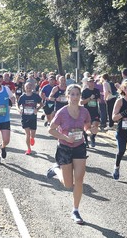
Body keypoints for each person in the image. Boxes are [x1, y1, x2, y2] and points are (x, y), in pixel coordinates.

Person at [46, 85, 91, 224]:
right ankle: (55, 169)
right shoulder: (61, 112)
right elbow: (51, 130)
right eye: (72, 94)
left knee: (79, 179)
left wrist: (89, 129)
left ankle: (75, 210)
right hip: (65, 148)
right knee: (68, 184)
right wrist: (65, 138)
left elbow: (87, 125)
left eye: (77, 94)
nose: (75, 97)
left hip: (79, 147)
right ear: (67, 96)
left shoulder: (84, 111)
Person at [17, 82, 43, 155]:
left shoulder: (35, 96)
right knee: (27, 134)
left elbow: (41, 103)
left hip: (33, 117)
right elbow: (17, 104)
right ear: (25, 88)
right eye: (27, 88)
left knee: (32, 134)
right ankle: (28, 149)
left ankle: (32, 138)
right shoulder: (22, 97)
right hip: (25, 117)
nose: (28, 89)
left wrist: (37, 109)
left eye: (29, 88)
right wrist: (19, 109)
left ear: (32, 88)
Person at [80, 77, 101, 147]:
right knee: (86, 127)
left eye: (93, 82)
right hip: (86, 112)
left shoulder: (97, 91)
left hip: (95, 111)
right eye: (90, 82)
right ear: (87, 83)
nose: (92, 83)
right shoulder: (85, 91)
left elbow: (99, 99)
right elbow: (82, 102)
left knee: (95, 126)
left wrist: (98, 100)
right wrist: (89, 99)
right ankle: (86, 141)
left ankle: (92, 137)